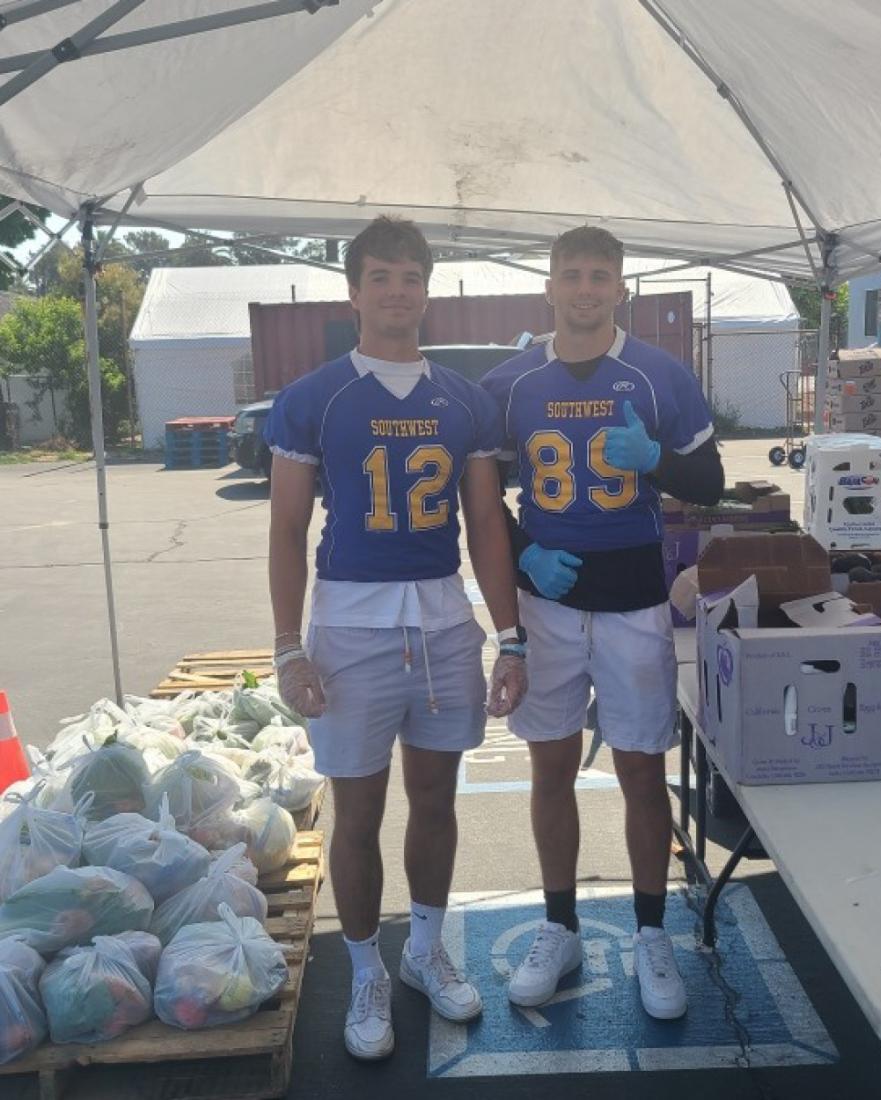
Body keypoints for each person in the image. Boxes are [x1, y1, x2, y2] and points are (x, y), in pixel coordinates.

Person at [265, 216, 528, 1060]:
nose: (395, 292)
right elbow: (284, 530)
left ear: (427, 291)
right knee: (358, 812)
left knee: (437, 800)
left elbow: (487, 524)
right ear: (353, 291)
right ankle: (365, 966)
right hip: (349, 622)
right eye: (379, 276)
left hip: (444, 620)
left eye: (409, 277)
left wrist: (511, 636)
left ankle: (423, 947)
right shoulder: (314, 398)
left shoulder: (465, 400)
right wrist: (285, 645)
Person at [480, 226, 724, 1020]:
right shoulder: (510, 382)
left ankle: (651, 930)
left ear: (621, 288)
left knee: (641, 772)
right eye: (571, 275)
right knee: (551, 771)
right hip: (547, 606)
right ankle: (560, 924)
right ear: (548, 286)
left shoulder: (660, 375)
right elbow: (480, 503)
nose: (585, 289)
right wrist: (523, 560)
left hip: (634, 600)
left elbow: (711, 481)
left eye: (600, 276)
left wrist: (653, 457)